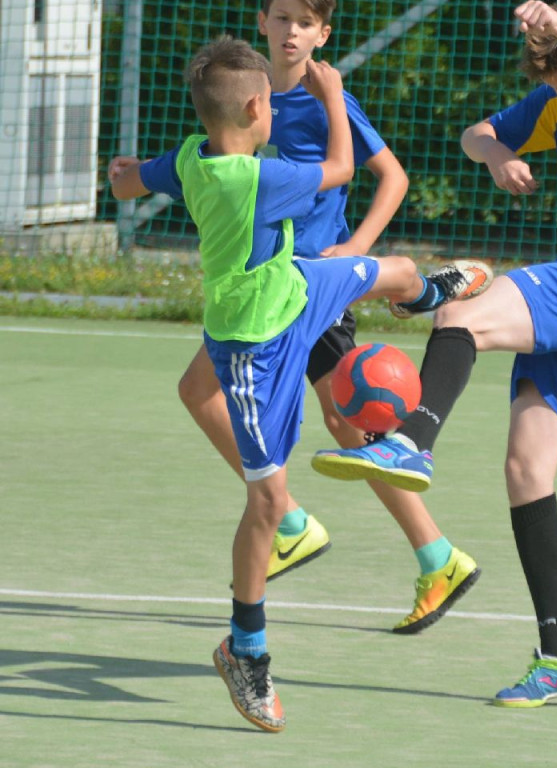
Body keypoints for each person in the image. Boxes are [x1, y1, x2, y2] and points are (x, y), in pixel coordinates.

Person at [109, 37, 489, 731]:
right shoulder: (254, 178)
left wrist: (128, 174)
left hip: (295, 285)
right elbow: (343, 166)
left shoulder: (195, 159)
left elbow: (131, 181)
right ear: (259, 108)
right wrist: (333, 97)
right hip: (254, 345)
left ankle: (423, 293)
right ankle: (244, 648)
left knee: (389, 270)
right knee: (265, 503)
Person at [312, 0, 557, 707]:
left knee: (461, 313)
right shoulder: (556, 105)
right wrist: (502, 152)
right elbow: (473, 134)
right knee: (526, 469)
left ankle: (412, 441)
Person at [170, 0, 485, 635]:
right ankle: (293, 521)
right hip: (266, 290)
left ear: (323, 34)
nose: (291, 32)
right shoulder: (242, 99)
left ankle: (430, 554)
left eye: (305, 23)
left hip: (309, 286)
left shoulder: (325, 100)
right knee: (201, 391)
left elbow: (388, 176)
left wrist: (360, 243)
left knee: (345, 418)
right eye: (282, 17)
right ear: (262, 22)